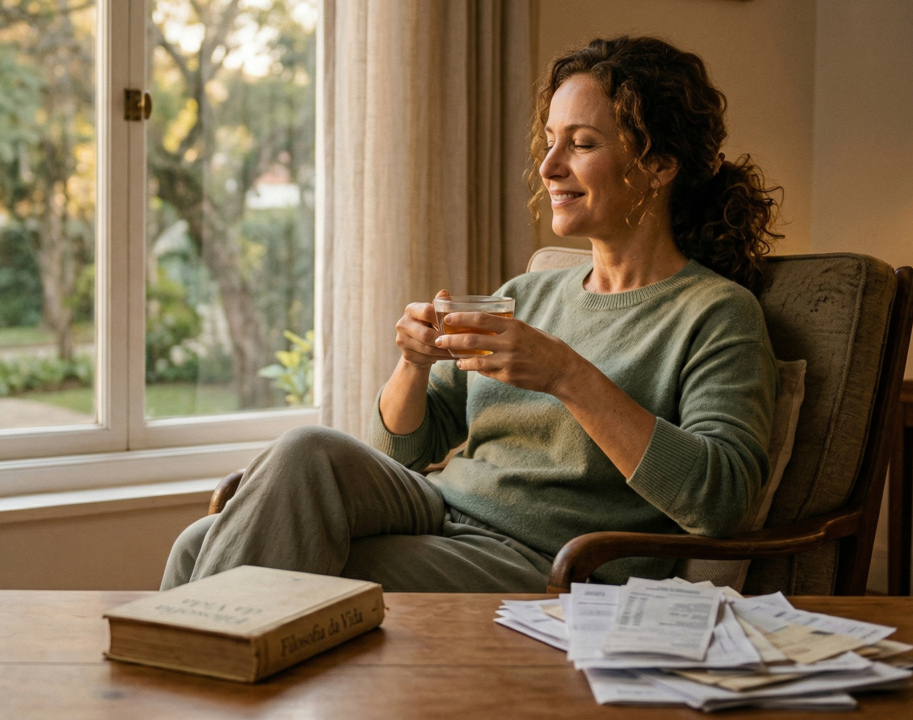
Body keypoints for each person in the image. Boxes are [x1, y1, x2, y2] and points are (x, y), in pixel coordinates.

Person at [161, 36, 783, 592]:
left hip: (544, 561)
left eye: (582, 143)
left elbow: (719, 498)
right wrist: (412, 363)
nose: (549, 167)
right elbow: (406, 448)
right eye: (549, 143)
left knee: (218, 553)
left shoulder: (717, 313)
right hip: (441, 508)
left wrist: (568, 376)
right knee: (302, 451)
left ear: (659, 163)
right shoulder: (532, 292)